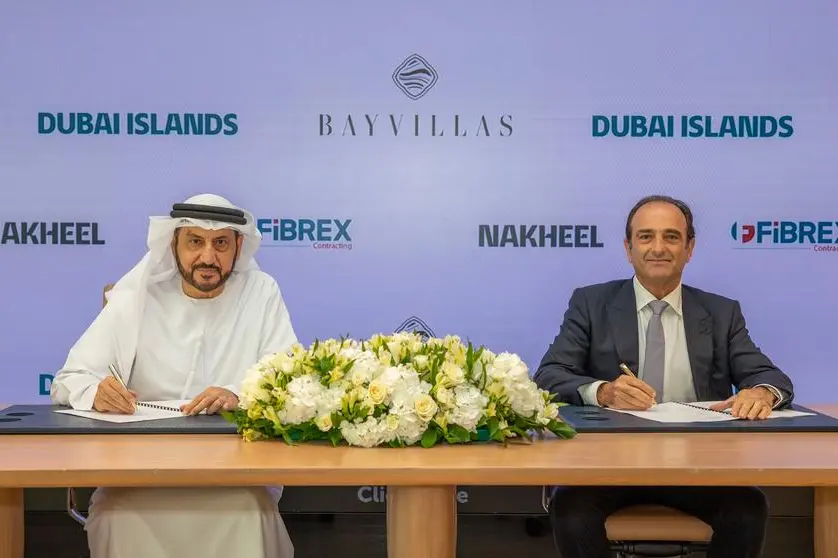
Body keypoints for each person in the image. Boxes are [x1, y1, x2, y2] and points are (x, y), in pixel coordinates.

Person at [533, 195, 794, 558]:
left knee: (748, 508)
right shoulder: (591, 304)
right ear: (628, 248)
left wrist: (762, 393)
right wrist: (603, 392)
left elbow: (769, 376)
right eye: (646, 237)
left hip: (697, 467)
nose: (658, 248)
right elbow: (549, 375)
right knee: (570, 509)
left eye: (671, 237)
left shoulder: (721, 312)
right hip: (608, 466)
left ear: (689, 249)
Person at [50, 193, 297, 558]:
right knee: (118, 513)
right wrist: (95, 393)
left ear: (238, 247)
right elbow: (70, 377)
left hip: (233, 471)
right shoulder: (137, 296)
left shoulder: (261, 293)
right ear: (173, 245)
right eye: (195, 242)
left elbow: (287, 382)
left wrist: (237, 394)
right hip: (139, 470)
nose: (208, 257)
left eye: (221, 244)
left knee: (248, 510)